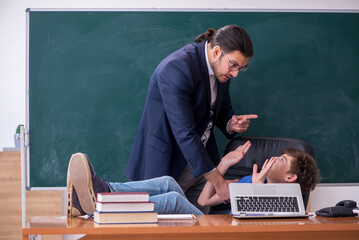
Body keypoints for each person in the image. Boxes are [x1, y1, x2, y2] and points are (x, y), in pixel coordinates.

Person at [125, 24, 257, 214]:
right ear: (217, 51)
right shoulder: (176, 68)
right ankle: (103, 190)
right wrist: (219, 183)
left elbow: (220, 109)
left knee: (196, 227)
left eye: (241, 68)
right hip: (167, 163)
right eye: (234, 64)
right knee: (162, 228)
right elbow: (185, 133)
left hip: (202, 166)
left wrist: (230, 123)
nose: (235, 73)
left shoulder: (222, 72)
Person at [67, 152, 203, 217]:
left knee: (175, 200)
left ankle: (105, 197)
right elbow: (204, 199)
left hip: (220, 230)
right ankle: (106, 191)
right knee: (168, 182)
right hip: (215, 221)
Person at [197, 141, 321, 207]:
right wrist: (223, 164)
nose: (274, 158)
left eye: (282, 159)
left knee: (175, 198)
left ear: (290, 177)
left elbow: (254, 229)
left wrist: (257, 188)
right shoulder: (248, 180)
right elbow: (204, 200)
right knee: (175, 192)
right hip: (224, 230)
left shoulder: (286, 202)